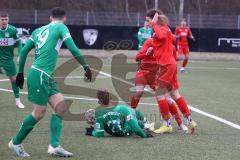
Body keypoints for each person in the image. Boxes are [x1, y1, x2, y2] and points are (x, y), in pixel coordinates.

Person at [8, 7, 92, 157]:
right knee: (39, 113)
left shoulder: (37, 31)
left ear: (50, 18)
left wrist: (20, 72)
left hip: (45, 75)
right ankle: (15, 142)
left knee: (60, 107)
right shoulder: (61, 27)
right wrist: (86, 67)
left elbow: (24, 51)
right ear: (64, 18)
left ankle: (54, 146)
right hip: (40, 74)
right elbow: (73, 48)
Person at [145, 10, 197, 134]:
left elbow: (162, 37)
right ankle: (190, 121)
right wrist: (153, 48)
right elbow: (167, 42)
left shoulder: (160, 28)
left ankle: (167, 124)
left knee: (159, 94)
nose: (147, 23)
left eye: (148, 20)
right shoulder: (165, 28)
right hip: (170, 64)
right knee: (175, 94)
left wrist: (153, 25)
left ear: (155, 19)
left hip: (166, 65)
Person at [130, 38, 188, 132]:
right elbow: (137, 58)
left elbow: (173, 61)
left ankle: (180, 123)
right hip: (143, 72)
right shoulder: (149, 42)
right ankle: (131, 112)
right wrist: (147, 54)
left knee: (167, 99)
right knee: (138, 92)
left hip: (157, 75)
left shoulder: (169, 47)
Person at [85, 89, 154, 138]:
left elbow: (99, 134)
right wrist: (143, 135)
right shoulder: (122, 109)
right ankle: (146, 124)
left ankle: (146, 125)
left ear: (99, 102)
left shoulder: (98, 114)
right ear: (111, 98)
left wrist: (92, 132)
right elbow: (135, 127)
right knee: (134, 112)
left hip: (114, 134)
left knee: (129, 119)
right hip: (126, 131)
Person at [0, 11, 24, 108]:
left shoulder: (13, 30)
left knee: (14, 80)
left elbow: (19, 43)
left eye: (6, 19)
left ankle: (18, 101)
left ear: (8, 20)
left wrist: (19, 55)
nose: (4, 21)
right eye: (2, 19)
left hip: (8, 59)